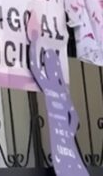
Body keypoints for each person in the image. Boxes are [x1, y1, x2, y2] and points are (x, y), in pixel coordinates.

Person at [26, 13, 88, 176]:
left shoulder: (53, 88)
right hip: (62, 137)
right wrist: (33, 42)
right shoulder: (58, 90)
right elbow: (74, 118)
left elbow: (34, 66)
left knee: (68, 167)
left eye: (50, 62)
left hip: (61, 137)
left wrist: (34, 42)